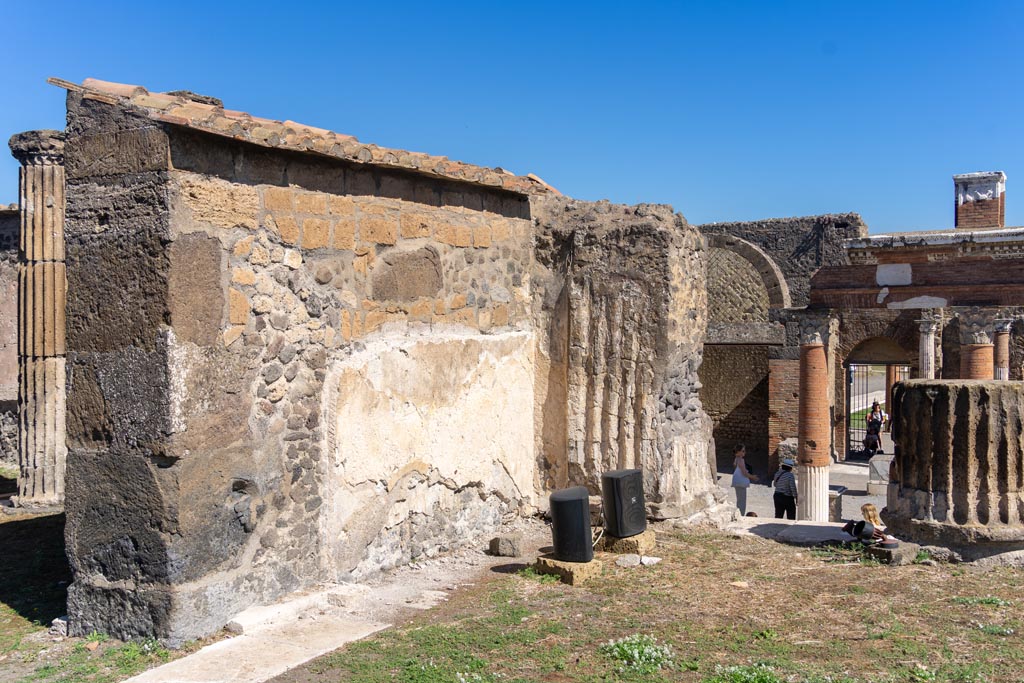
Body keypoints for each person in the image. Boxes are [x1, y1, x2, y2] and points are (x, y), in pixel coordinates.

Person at [731, 443, 757, 515]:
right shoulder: (740, 460)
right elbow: (744, 473)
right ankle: (740, 515)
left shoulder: (736, 459)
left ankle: (738, 514)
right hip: (741, 482)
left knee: (739, 500)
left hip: (737, 481)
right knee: (742, 502)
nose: (744, 452)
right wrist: (753, 477)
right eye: (743, 451)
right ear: (738, 451)